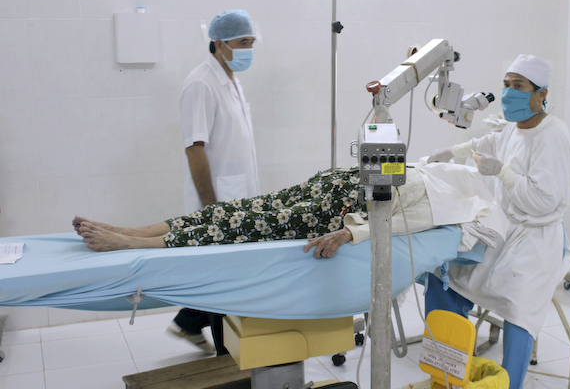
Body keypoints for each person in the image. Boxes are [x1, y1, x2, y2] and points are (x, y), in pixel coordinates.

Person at [404, 55, 570, 389]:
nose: (509, 93)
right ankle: (445, 373)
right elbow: (488, 142)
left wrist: (504, 174)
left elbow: (545, 200)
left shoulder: (553, 135)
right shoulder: (515, 127)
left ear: (541, 94)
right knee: (444, 279)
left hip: (536, 238)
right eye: (507, 84)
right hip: (505, 229)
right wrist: (449, 153)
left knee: (518, 307)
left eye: (519, 86)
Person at [72, 163, 508, 259]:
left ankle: (130, 242)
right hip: (328, 184)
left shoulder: (449, 203)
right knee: (232, 210)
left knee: (239, 224)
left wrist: (347, 234)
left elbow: (394, 224)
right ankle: (134, 230)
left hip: (332, 206)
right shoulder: (442, 170)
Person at [171, 9, 260, 355]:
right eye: (242, 42)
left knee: (230, 273)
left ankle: (189, 321)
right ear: (219, 44)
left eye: (251, 42)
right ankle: (226, 357)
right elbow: (194, 149)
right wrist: (211, 207)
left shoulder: (230, 80)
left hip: (238, 195)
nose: (248, 50)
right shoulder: (201, 84)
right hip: (218, 201)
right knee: (225, 278)